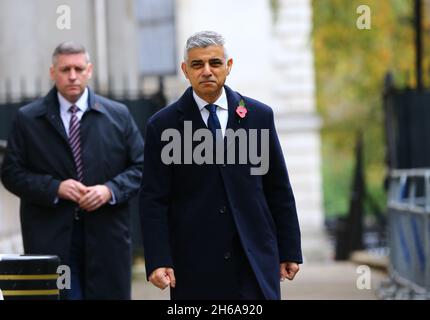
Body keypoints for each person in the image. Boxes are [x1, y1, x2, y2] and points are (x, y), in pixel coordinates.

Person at [139, 31, 302, 300]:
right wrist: (158, 259)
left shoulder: (259, 116)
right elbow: (153, 199)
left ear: (229, 66)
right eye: (197, 65)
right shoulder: (163, 125)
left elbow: (278, 188)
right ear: (185, 70)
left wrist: (289, 249)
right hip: (194, 265)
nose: (206, 71)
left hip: (253, 261)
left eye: (214, 63)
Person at [1, 42, 144, 299]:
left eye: (79, 68)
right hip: (51, 237)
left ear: (89, 71)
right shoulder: (28, 119)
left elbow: (142, 167)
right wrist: (54, 187)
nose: (72, 76)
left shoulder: (118, 115)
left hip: (107, 236)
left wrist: (109, 190)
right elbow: (11, 173)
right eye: (65, 69)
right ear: (52, 72)